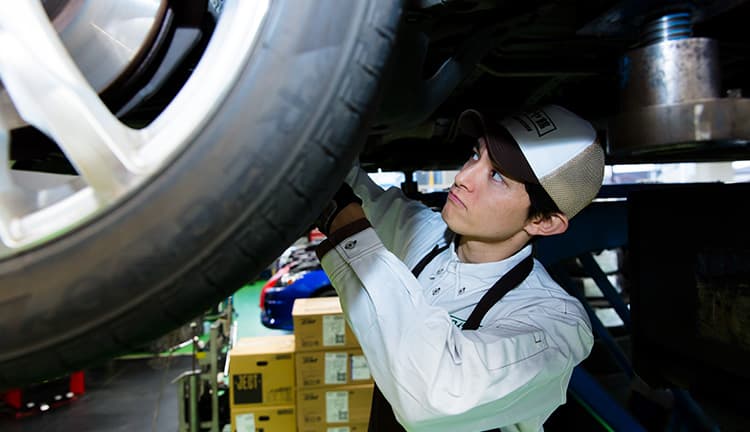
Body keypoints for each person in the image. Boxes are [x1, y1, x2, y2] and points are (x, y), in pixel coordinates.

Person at [313, 104, 605, 432]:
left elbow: (435, 396)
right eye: (474, 155)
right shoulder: (423, 232)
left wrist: (345, 221)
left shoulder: (556, 323)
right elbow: (347, 182)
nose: (463, 178)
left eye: (496, 176)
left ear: (544, 221)